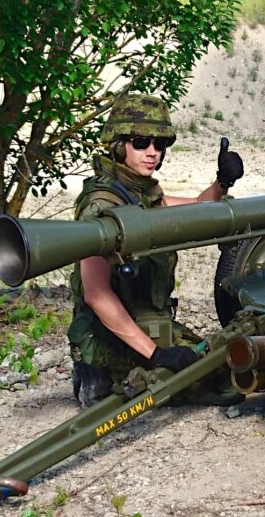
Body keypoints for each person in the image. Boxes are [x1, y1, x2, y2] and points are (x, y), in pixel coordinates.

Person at [68, 94, 245, 406]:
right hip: (112, 337)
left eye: (159, 144)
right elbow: (96, 294)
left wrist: (222, 183)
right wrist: (157, 355)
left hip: (147, 323)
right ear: (118, 145)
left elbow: (196, 208)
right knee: (220, 383)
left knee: (229, 373)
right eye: (140, 142)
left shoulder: (141, 194)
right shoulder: (101, 205)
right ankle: (96, 373)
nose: (152, 152)